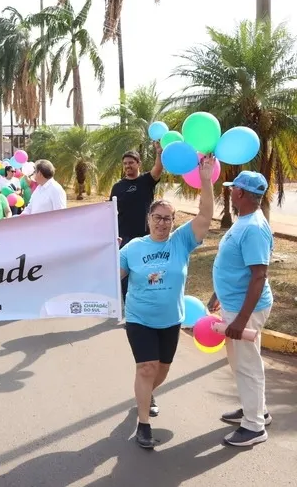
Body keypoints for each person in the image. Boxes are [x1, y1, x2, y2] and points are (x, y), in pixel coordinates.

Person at [119, 156, 215, 448]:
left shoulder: (181, 241)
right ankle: (144, 424)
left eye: (167, 218)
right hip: (139, 318)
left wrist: (207, 179)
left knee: (161, 370)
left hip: (171, 320)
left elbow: (206, 215)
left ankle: (146, 395)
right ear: (148, 219)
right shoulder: (133, 248)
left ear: (174, 222)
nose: (162, 223)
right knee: (146, 367)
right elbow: (113, 277)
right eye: (157, 217)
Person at [208, 171, 274, 447]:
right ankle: (255, 409)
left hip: (246, 310)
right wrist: (217, 293)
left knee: (247, 365)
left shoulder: (254, 228)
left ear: (241, 194)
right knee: (240, 362)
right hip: (234, 304)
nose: (231, 192)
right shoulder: (244, 221)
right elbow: (234, 265)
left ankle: (255, 426)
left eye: (233, 188)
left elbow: (259, 275)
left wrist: (242, 321)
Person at [111, 144, 164, 302]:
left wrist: (159, 152)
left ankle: (148, 303)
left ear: (138, 163)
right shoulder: (117, 187)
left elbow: (158, 169)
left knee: (147, 273)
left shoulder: (146, 181)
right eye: (125, 163)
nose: (128, 166)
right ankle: (129, 307)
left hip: (145, 236)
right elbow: (111, 213)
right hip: (124, 238)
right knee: (125, 276)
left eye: (131, 163)